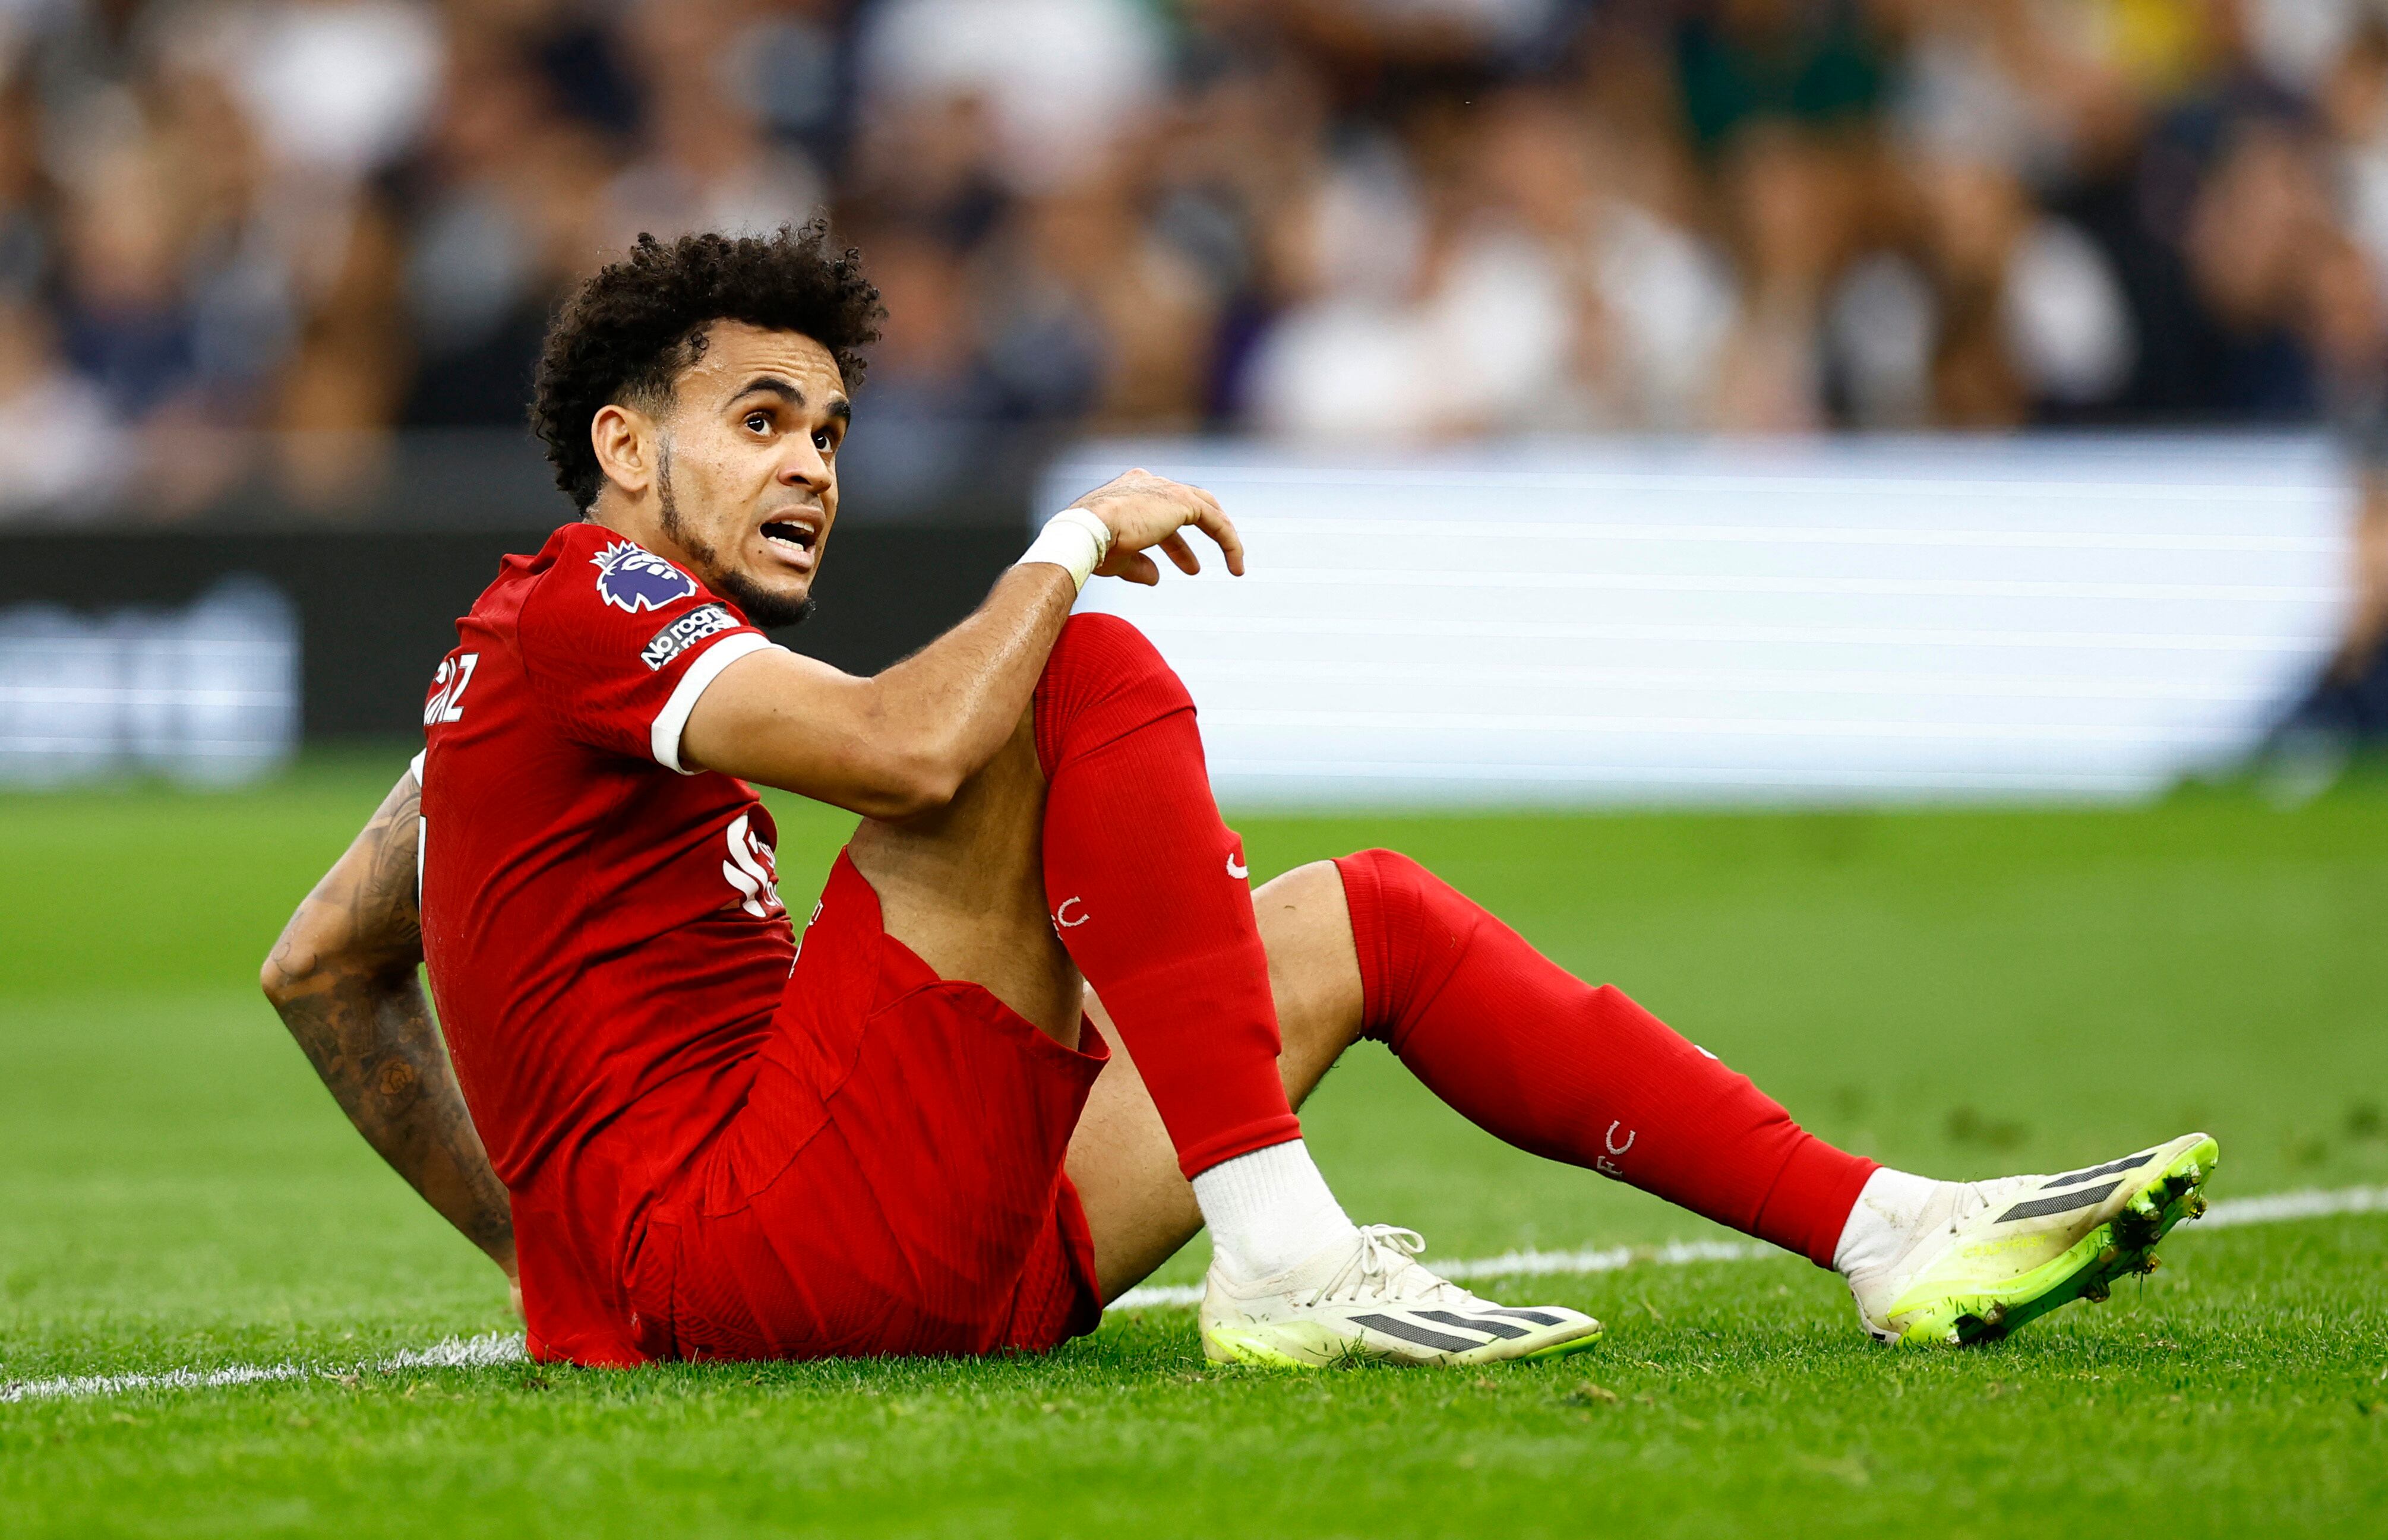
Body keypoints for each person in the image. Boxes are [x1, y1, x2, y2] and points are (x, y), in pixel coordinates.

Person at [263, 224, 2217, 1369]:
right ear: (622, 442)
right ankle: (1280, 1249)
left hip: (864, 1233)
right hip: (771, 1235)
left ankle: (1881, 1227)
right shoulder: (592, 592)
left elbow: (322, 964)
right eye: (757, 420)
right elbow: (919, 754)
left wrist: (551, 1268)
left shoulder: (518, 683)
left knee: (1356, 916)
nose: (812, 466)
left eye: (831, 428)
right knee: (1078, 659)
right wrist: (1068, 535)